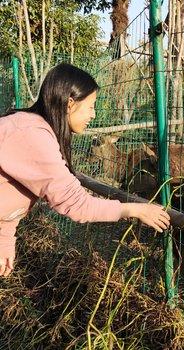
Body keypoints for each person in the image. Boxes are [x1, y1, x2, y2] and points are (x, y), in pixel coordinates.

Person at [0, 63, 170, 277]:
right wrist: (135, 210)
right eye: (91, 106)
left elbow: (11, 193)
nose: (94, 114)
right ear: (70, 104)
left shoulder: (34, 129)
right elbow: (77, 204)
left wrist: (5, 241)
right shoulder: (32, 135)